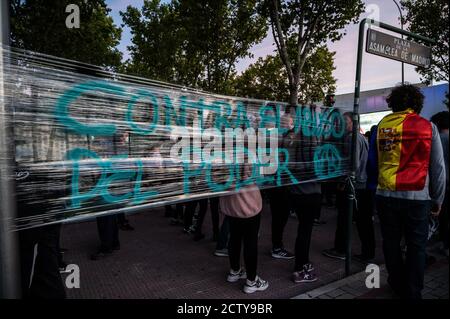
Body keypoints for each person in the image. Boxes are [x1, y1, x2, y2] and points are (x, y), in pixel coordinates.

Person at [372, 84, 446, 299]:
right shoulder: (427, 127)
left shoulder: (381, 126)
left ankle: (396, 283)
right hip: (417, 195)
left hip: (385, 193)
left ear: (392, 103)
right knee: (417, 246)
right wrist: (438, 198)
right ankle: (412, 292)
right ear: (416, 104)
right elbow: (438, 167)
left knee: (391, 243)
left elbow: (377, 162)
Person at [323, 112, 375, 262]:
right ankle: (367, 252)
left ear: (353, 122)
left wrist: (343, 181)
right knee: (362, 221)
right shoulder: (359, 137)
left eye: (345, 121)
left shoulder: (350, 138)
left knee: (346, 219)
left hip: (354, 186)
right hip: (362, 185)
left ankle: (341, 250)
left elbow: (353, 165)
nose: (341, 124)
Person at [221, 164, 268, 294]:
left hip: (231, 205)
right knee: (250, 241)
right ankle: (251, 281)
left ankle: (234, 271)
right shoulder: (248, 154)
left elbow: (217, 180)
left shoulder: (220, 155)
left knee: (234, 237)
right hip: (249, 205)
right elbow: (259, 177)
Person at [430, 111, 449, 257]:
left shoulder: (436, 139)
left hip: (442, 184)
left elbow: (436, 166)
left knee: (442, 216)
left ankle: (445, 244)